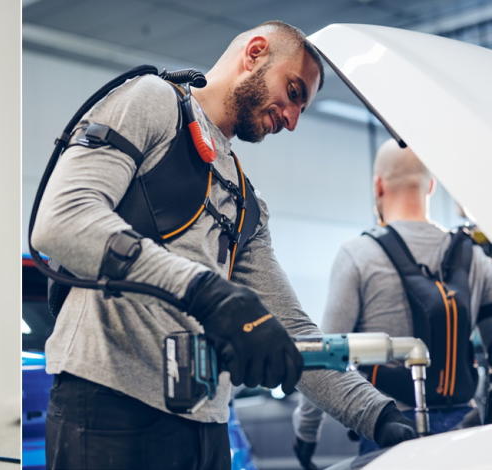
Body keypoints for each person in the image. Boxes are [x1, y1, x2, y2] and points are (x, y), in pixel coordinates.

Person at [32, 21, 416, 469]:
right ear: (254, 53)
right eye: (293, 92)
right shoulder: (151, 100)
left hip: (207, 428)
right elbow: (62, 221)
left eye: (302, 109)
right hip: (110, 412)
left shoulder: (244, 200)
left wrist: (379, 415)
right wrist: (208, 291)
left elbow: (292, 331)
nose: (292, 120)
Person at [292, 140, 492, 467]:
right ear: (430, 186)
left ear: (379, 185)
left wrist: (306, 433)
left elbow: (323, 356)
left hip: (388, 428)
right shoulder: (476, 259)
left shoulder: (358, 255)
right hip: (464, 430)